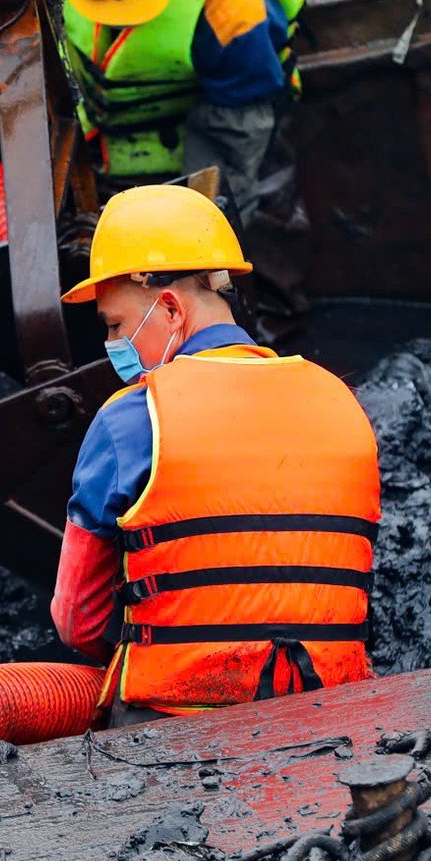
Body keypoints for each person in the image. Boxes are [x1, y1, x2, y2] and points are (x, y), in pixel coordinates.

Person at [51, 184, 379, 720]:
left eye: (115, 325)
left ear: (172, 308)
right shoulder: (342, 402)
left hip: (176, 726)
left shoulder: (133, 417)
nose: (114, 346)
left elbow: (76, 620)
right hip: (336, 715)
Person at [43, 0, 309, 222]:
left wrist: (200, 230)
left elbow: (235, 134)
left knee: (238, 220)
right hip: (95, 137)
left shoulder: (230, 6)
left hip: (199, 140)